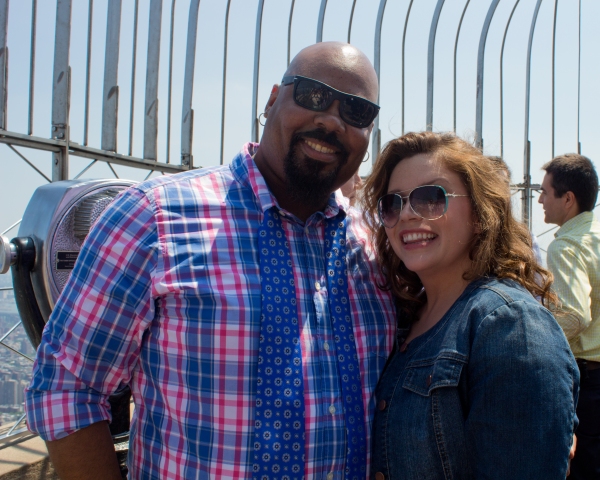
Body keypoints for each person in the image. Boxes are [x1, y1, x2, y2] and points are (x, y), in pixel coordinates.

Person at [25, 42, 396, 479]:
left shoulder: (375, 247)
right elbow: (67, 386)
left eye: (356, 112)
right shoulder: (153, 216)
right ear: (273, 99)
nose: (331, 120)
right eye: (314, 96)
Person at [363, 131, 579, 479]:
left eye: (431, 198)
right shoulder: (402, 316)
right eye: (393, 203)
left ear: (480, 213)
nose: (406, 215)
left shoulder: (510, 325)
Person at [539, 153, 600, 480]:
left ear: (568, 199)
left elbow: (574, 315)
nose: (539, 199)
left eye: (545, 192)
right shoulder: (596, 236)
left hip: (589, 378)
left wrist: (535, 341)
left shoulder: (566, 247)